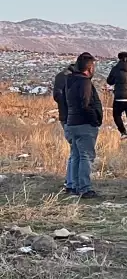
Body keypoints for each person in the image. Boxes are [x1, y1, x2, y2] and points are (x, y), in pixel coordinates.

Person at [64, 52, 102, 199]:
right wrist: (95, 119)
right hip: (84, 124)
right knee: (86, 156)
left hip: (71, 122)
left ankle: (73, 186)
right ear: (89, 68)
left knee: (76, 156)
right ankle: (85, 188)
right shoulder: (85, 82)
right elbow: (85, 104)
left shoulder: (70, 80)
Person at [53, 59, 73, 193]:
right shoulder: (75, 78)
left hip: (65, 116)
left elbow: (57, 96)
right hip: (71, 117)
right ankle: (71, 182)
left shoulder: (60, 77)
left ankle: (71, 181)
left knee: (74, 150)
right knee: (76, 151)